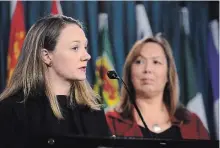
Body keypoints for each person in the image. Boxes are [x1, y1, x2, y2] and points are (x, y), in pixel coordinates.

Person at [0, 14, 110, 147]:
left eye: (85, 47)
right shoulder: (13, 109)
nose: (87, 56)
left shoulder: (92, 106)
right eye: (75, 48)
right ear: (46, 56)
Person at [105, 33, 210, 140]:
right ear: (129, 73)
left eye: (156, 62)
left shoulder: (192, 123)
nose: (148, 69)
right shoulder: (111, 122)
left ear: (168, 75)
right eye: (139, 61)